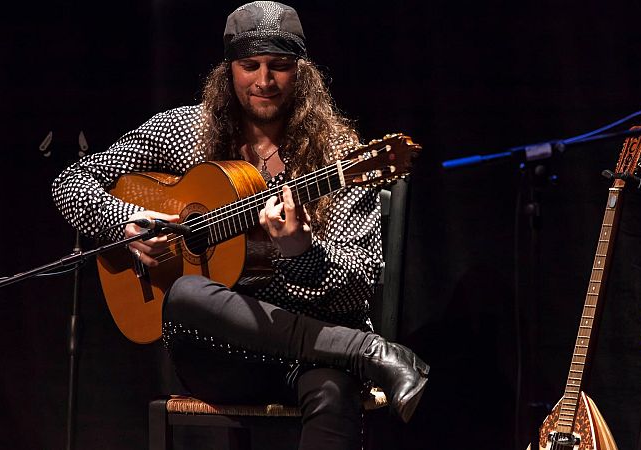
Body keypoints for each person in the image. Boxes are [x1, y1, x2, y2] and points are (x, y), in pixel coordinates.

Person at [52, 2, 429, 449]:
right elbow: (71, 182)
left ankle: (354, 354)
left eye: (280, 67)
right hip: (222, 356)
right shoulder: (184, 131)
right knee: (188, 294)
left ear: (302, 72)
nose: (264, 81)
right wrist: (126, 223)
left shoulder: (340, 156)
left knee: (332, 390)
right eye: (250, 65)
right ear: (228, 69)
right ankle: (369, 352)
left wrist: (301, 253)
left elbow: (359, 285)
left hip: (313, 353)